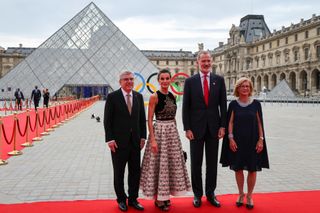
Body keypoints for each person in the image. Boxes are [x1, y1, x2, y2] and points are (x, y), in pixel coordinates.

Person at [140, 69, 191, 211]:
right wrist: (153, 140)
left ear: (170, 80)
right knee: (158, 165)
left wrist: (176, 135)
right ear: (158, 80)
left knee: (169, 165)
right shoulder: (154, 97)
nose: (165, 81)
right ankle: (158, 199)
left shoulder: (173, 96)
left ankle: (166, 196)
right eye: (162, 79)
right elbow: (150, 119)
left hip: (171, 133)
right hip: (159, 131)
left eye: (167, 78)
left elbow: (174, 116)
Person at [182, 50, 227, 208]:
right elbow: (185, 107)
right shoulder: (190, 82)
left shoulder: (219, 80)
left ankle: (210, 193)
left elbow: (223, 105)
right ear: (198, 63)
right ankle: (197, 194)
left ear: (212, 61)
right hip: (195, 129)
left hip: (214, 128)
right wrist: (187, 128)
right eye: (203, 61)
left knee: (212, 163)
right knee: (196, 163)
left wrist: (223, 126)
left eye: (208, 61)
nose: (206, 64)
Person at [220, 77, 269, 209]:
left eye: (247, 86)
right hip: (238, 141)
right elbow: (230, 122)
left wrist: (261, 139)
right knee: (239, 168)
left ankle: (250, 196)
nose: (245, 88)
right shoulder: (233, 105)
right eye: (242, 86)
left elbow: (260, 123)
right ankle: (241, 194)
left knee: (253, 169)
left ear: (250, 88)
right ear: (238, 88)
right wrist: (230, 138)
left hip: (253, 140)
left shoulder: (256, 104)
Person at [104, 71, 146, 212]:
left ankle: (133, 199)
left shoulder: (138, 97)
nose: (129, 81)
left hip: (135, 142)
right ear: (120, 82)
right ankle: (121, 199)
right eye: (126, 79)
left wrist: (143, 137)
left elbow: (142, 119)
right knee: (119, 172)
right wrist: (109, 139)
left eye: (131, 79)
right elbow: (107, 121)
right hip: (118, 143)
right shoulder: (112, 97)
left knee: (135, 172)